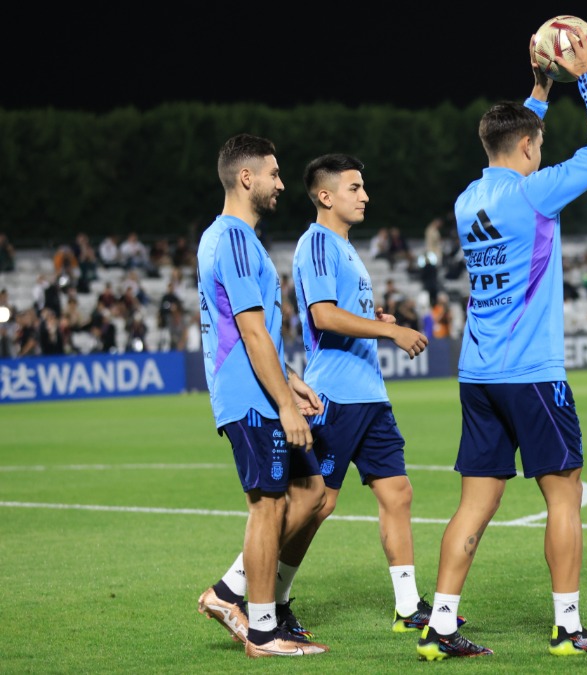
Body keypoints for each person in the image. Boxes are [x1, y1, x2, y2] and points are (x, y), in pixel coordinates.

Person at [416, 27, 587, 661]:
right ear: (530, 148)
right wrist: (586, 76)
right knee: (564, 492)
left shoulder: (467, 198)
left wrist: (537, 93)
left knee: (475, 502)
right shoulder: (535, 192)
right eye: (537, 143)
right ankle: (566, 626)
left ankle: (440, 626)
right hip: (531, 371)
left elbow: (511, 138)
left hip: (478, 372)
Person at [282, 152, 444, 637]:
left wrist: (379, 324)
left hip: (370, 395)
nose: (365, 195)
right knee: (317, 503)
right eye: (354, 187)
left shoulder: (347, 248)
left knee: (398, 493)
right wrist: (388, 332)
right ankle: (265, 597)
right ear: (325, 195)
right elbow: (323, 316)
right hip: (336, 393)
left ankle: (408, 605)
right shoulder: (316, 243)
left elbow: (345, 316)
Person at [193, 133, 330, 658]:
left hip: (260, 387)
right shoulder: (229, 237)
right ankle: (264, 630)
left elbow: (259, 332)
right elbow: (249, 333)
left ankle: (228, 593)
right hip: (248, 396)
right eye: (273, 174)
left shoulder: (238, 239)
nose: (280, 184)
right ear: (245, 177)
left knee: (312, 493)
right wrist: (283, 404)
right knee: (268, 507)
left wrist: (291, 378)